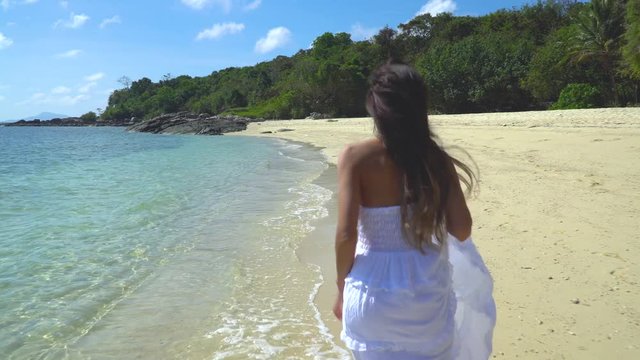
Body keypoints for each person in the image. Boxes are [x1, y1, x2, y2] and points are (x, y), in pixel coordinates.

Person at [333, 62, 496, 359]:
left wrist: (341, 288)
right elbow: (462, 229)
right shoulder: (436, 160)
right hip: (425, 293)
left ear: (376, 108)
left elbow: (346, 236)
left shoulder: (355, 156)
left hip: (370, 294)